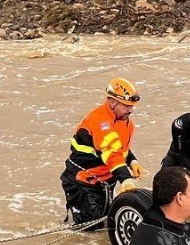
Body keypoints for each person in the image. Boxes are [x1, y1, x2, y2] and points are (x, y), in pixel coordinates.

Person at [61, 78, 144, 228]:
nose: (131, 110)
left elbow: (120, 147)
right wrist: (125, 178)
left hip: (105, 180)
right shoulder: (100, 121)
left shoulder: (126, 122)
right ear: (112, 102)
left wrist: (132, 161)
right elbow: (111, 152)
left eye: (132, 106)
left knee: (104, 222)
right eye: (126, 106)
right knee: (89, 228)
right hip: (83, 181)